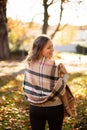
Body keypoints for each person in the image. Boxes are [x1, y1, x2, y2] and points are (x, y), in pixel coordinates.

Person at [23, 35, 73, 130]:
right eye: (49, 47)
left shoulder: (29, 65)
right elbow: (61, 90)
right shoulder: (54, 66)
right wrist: (65, 75)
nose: (52, 50)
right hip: (54, 108)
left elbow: (26, 87)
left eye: (52, 47)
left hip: (35, 108)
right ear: (39, 49)